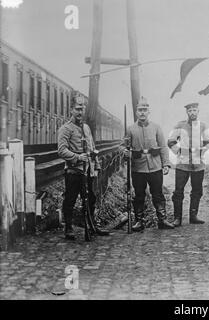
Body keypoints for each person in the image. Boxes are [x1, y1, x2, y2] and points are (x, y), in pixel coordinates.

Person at [57, 94, 110, 240]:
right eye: (77, 109)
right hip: (74, 171)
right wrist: (77, 157)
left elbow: (92, 148)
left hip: (88, 171)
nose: (80, 112)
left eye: (82, 109)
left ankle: (91, 225)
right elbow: (61, 150)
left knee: (90, 198)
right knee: (70, 199)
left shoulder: (86, 128)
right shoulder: (65, 129)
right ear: (71, 110)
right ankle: (68, 227)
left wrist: (97, 165)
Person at [122, 97, 174, 232]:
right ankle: (139, 221)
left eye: (145, 110)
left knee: (158, 194)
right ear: (136, 112)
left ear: (149, 111)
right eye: (140, 110)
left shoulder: (156, 127)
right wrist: (125, 151)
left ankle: (162, 220)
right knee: (139, 195)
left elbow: (163, 146)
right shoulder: (130, 129)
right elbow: (122, 146)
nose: (142, 113)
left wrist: (166, 164)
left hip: (155, 166)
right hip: (138, 167)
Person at [167, 102, 209, 226]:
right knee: (178, 191)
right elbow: (170, 141)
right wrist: (179, 151)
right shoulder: (180, 125)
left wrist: (202, 151)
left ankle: (193, 216)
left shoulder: (203, 126)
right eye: (190, 110)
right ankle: (177, 218)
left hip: (198, 165)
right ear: (187, 112)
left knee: (197, 190)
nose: (192, 112)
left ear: (198, 111)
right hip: (183, 164)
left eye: (194, 110)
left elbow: (208, 142)